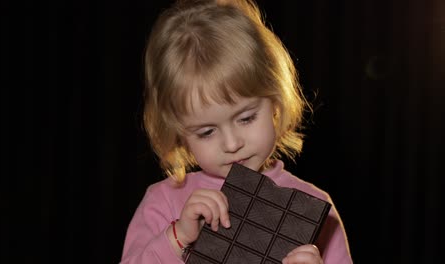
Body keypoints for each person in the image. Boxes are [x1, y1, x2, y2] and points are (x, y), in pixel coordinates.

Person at [120, 0, 352, 263]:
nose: (231, 144)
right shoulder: (163, 202)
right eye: (207, 132)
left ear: (275, 102)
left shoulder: (318, 209)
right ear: (179, 133)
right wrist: (178, 237)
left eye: (246, 118)